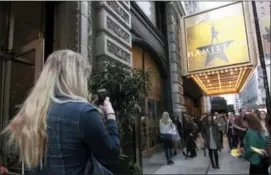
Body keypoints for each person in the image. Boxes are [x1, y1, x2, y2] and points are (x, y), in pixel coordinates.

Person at [2, 50, 120, 175]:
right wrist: (111, 116)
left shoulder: (31, 111)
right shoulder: (84, 112)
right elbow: (110, 155)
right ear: (76, 78)